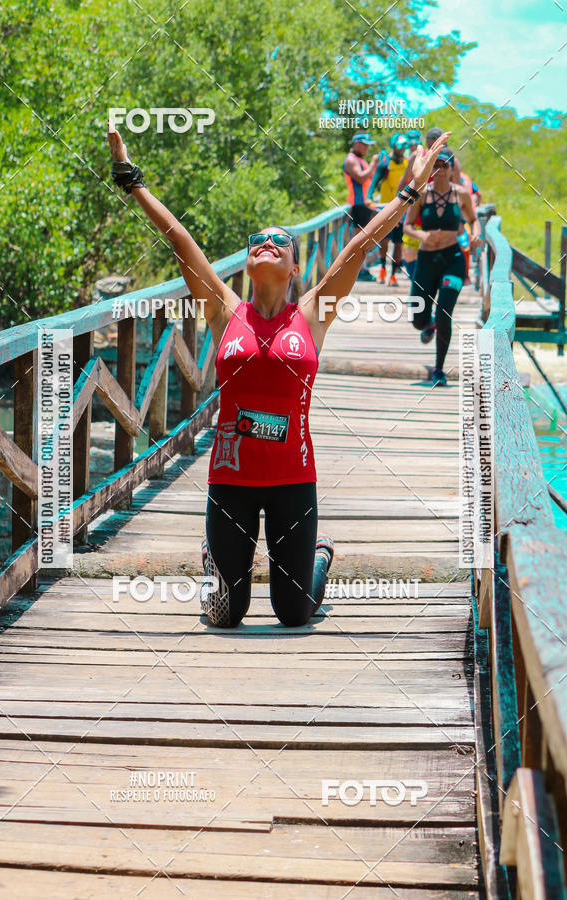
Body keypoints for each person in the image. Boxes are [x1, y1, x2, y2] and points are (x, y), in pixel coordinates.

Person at [107, 121, 451, 626]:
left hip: (293, 479)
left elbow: (359, 246)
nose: (266, 242)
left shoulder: (313, 313)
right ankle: (215, 561)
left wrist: (410, 192)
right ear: (248, 261)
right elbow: (178, 238)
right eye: (257, 240)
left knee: (293, 612)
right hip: (231, 479)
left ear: (294, 267)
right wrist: (131, 180)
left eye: (279, 241)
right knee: (225, 613)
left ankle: (318, 558)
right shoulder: (223, 310)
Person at [403, 147, 482, 386]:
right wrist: (423, 236)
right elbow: (407, 226)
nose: (439, 171)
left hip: (453, 259)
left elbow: (473, 220)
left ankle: (439, 370)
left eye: (444, 166)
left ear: (451, 169)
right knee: (417, 319)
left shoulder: (461, 194)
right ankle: (429, 324)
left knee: (444, 312)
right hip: (426, 260)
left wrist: (476, 235)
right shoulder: (422, 194)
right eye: (435, 166)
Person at [367, 135, 408, 286]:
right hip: (386, 209)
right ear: (393, 145)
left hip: (403, 209)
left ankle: (393, 275)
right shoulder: (385, 164)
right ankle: (383, 269)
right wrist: (369, 197)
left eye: (404, 146)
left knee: (399, 243)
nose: (402, 149)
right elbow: (374, 182)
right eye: (400, 145)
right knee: (384, 240)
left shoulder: (407, 163)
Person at [342, 132, 379, 281]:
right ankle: (359, 271)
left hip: (365, 204)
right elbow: (361, 178)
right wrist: (374, 163)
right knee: (360, 239)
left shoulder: (360, 160)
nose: (366, 148)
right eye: (364, 145)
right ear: (356, 143)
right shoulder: (351, 160)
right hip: (358, 204)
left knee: (365, 239)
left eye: (368, 145)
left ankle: (362, 269)